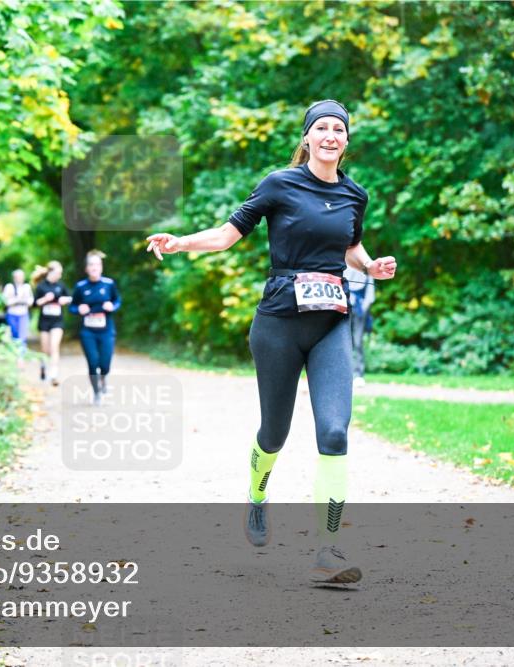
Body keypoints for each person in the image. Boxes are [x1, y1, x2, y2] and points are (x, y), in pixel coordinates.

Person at [145, 99, 397, 585]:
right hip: (279, 323)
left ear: (346, 140)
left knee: (335, 432)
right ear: (307, 138)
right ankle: (258, 495)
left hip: (329, 323)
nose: (330, 135)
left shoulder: (354, 195)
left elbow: (350, 246)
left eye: (338, 130)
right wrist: (180, 242)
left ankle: (329, 548)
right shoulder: (280, 184)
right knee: (274, 432)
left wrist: (369, 267)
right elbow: (226, 235)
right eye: (321, 128)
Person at [69, 250, 121, 406]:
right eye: (91, 265)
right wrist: (79, 309)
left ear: (101, 267)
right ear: (86, 268)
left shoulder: (109, 284)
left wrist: (112, 306)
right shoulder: (80, 287)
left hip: (106, 331)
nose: (94, 268)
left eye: (97, 264)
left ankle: (104, 379)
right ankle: (96, 393)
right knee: (93, 363)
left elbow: (117, 301)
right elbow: (72, 306)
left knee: (105, 364)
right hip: (88, 332)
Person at [31, 260, 72, 386]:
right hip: (44, 322)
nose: (60, 276)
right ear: (50, 272)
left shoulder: (61, 285)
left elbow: (70, 298)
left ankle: (54, 375)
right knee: (45, 350)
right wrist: (44, 299)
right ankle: (43, 367)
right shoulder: (41, 286)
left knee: (55, 347)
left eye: (61, 273)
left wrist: (65, 300)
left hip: (57, 321)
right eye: (58, 273)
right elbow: (33, 304)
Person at [343, 264, 376, 386]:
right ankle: (344, 372)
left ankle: (358, 374)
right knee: (342, 340)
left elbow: (370, 294)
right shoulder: (344, 265)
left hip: (359, 310)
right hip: (344, 308)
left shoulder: (367, 267)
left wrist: (362, 307)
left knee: (357, 342)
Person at [1, 269, 34, 358]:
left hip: (23, 313)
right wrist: (17, 300)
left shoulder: (27, 287)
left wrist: (23, 301)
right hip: (12, 314)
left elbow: (30, 301)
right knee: (15, 335)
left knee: (22, 335)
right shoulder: (9, 287)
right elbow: (4, 301)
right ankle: (16, 354)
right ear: (14, 278)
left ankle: (21, 356)